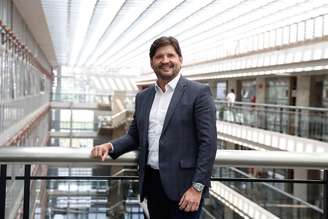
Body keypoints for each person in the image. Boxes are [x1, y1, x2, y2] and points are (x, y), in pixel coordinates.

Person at [91, 36, 217, 219]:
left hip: (185, 190)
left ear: (180, 60)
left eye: (171, 55)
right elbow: (135, 136)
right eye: (159, 57)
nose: (165, 61)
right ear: (152, 63)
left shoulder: (199, 93)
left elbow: (209, 143)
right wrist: (110, 146)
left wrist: (197, 187)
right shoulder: (143, 97)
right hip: (151, 185)